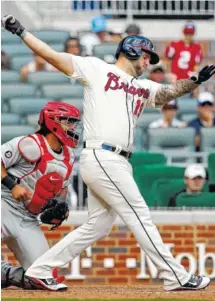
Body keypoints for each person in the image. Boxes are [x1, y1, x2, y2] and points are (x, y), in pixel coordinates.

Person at [2, 15, 215, 292]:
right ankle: (175, 275)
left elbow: (166, 92)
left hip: (117, 161)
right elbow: (52, 56)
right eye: (146, 56)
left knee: (97, 226)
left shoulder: (141, 86)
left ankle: (39, 270)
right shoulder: (97, 69)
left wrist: (194, 81)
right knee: (140, 214)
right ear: (133, 50)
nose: (148, 62)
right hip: (103, 155)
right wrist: (22, 32)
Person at [1, 101, 81, 290]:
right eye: (67, 122)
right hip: (3, 203)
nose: (72, 127)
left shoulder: (69, 157)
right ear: (53, 122)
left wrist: (60, 207)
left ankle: (6, 274)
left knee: (43, 276)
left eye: (73, 122)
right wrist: (12, 185)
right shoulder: (30, 144)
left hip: (27, 218)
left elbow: (61, 190)